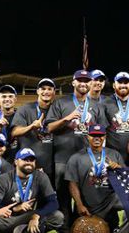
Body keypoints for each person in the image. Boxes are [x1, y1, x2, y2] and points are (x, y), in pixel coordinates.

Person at [46, 70, 109, 224]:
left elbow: (103, 132)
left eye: (86, 80)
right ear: (73, 83)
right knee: (63, 196)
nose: (83, 83)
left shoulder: (96, 105)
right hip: (63, 157)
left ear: (90, 83)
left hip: (87, 159)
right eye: (79, 80)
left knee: (87, 194)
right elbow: (48, 127)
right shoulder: (61, 102)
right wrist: (66, 119)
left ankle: (84, 230)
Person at [65, 124, 129, 233]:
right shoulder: (76, 158)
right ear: (88, 137)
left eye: (100, 136)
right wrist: (79, 204)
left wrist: (118, 168)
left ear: (105, 137)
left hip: (111, 199)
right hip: (89, 203)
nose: (97, 138)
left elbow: (126, 177)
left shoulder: (114, 154)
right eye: (94, 135)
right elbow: (72, 184)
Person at [10, 77, 57, 177]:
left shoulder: (57, 109)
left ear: (54, 92)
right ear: (37, 91)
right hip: (28, 163)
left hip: (51, 165)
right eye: (43, 89)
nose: (46, 91)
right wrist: (31, 126)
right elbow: (14, 131)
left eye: (49, 89)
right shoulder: (25, 109)